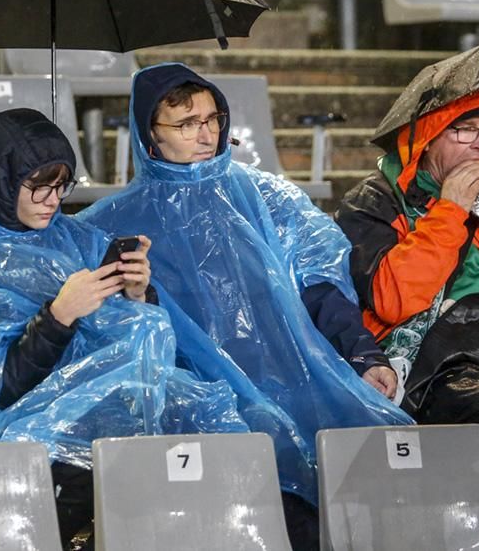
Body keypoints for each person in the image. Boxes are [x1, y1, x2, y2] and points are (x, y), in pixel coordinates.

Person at [79, 63, 412, 550]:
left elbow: (317, 283)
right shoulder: (111, 223)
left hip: (295, 380)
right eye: (186, 123)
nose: (206, 133)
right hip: (192, 394)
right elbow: (118, 336)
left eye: (212, 118)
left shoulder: (265, 197)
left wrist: (364, 355)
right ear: (150, 132)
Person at [0, 109, 247, 548]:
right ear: (1, 180)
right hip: (7, 429)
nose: (52, 199)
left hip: (85, 409)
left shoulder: (75, 239)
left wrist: (137, 296)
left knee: (208, 426)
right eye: (38, 185)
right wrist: (58, 316)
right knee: (105, 464)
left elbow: (124, 349)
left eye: (61, 185)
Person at [335, 87, 479, 365]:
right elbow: (392, 302)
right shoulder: (373, 202)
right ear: (428, 138)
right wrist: (451, 210)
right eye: (467, 129)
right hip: (429, 364)